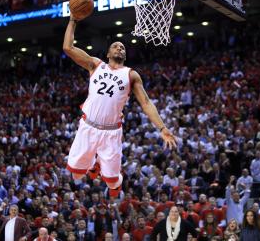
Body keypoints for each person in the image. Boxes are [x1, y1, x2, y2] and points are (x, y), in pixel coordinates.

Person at [63, 13, 176, 197]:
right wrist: (73, 20)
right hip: (88, 126)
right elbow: (68, 47)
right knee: (76, 174)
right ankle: (94, 162)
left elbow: (146, 103)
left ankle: (103, 166)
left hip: (111, 133)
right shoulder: (95, 65)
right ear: (108, 54)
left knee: (113, 184)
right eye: (115, 46)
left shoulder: (131, 75)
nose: (119, 48)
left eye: (122, 47)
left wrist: (162, 128)